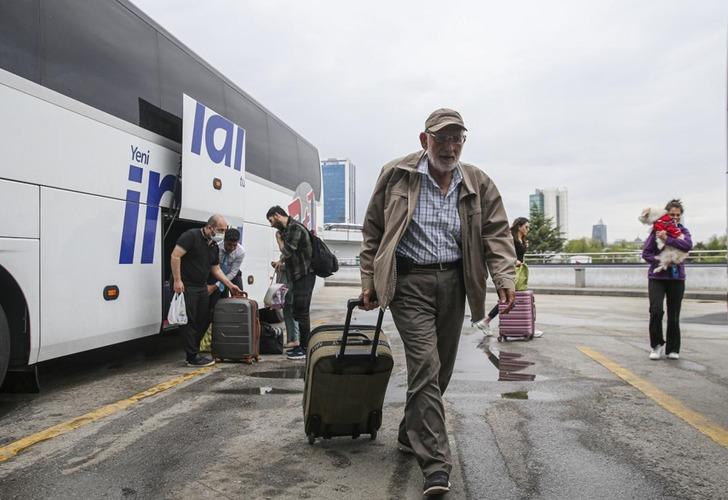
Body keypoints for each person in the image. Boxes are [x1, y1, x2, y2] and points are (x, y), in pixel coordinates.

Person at [359, 108, 517, 496]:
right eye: (441, 138)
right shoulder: (396, 174)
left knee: (440, 371)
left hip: (455, 283)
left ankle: (409, 431)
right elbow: (373, 230)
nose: (449, 147)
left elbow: (496, 233)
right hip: (408, 283)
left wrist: (504, 277)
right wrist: (368, 280)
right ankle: (436, 465)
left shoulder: (478, 182)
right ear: (423, 140)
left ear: (463, 141)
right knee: (425, 365)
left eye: (456, 139)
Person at [171, 214, 243, 366]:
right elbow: (175, 256)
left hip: (201, 286)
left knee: (203, 318)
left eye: (225, 230)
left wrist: (230, 285)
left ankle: (195, 350)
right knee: (189, 321)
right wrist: (177, 280)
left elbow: (216, 269)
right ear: (210, 227)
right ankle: (192, 357)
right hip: (187, 285)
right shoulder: (191, 236)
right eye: (221, 230)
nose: (223, 234)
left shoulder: (213, 246)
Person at [641, 199, 692, 360]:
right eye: (672, 214)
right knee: (656, 311)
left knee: (674, 314)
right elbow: (646, 254)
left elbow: (686, 245)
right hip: (657, 277)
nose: (675, 217)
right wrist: (663, 261)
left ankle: (673, 349)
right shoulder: (655, 230)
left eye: (678, 215)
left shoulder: (683, 232)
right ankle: (656, 346)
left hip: (677, 278)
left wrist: (668, 239)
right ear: (666, 214)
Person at [476, 217, 543, 337]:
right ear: (519, 226)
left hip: (518, 272)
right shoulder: (510, 238)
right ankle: (487, 320)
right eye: (526, 227)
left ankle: (488, 321)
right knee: (512, 298)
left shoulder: (521, 239)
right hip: (510, 271)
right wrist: (514, 261)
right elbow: (503, 253)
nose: (528, 229)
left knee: (514, 298)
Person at [267, 206, 316, 361]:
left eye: (271, 220)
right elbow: (289, 256)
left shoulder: (295, 228)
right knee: (297, 309)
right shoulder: (288, 229)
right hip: (298, 275)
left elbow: (287, 251)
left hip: (305, 274)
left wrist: (279, 240)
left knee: (302, 311)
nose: (271, 224)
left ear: (277, 215)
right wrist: (281, 263)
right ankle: (299, 346)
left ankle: (304, 348)